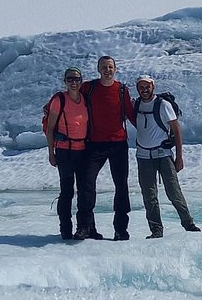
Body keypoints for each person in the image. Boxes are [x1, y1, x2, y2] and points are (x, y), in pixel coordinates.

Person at [132, 75, 201, 238]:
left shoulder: (163, 105)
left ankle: (188, 223)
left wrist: (179, 157)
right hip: (143, 156)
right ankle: (156, 230)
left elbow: (176, 130)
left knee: (174, 192)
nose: (144, 89)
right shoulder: (136, 105)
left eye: (147, 86)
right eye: (141, 87)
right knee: (149, 196)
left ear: (153, 87)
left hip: (164, 155)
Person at [79, 55, 135, 241]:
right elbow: (72, 99)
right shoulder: (89, 87)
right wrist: (51, 108)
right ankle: (86, 227)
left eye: (110, 67)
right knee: (87, 184)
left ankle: (121, 229)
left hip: (118, 144)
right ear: (98, 69)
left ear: (115, 69)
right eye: (104, 67)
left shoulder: (121, 90)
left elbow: (131, 114)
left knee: (121, 186)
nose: (107, 70)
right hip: (95, 144)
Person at [45, 67, 91, 240]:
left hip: (83, 151)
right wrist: (51, 152)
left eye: (77, 79)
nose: (74, 82)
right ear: (65, 81)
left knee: (84, 190)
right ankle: (65, 228)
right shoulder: (59, 100)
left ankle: (82, 228)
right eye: (70, 79)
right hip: (65, 151)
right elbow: (50, 129)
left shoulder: (84, 100)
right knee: (67, 191)